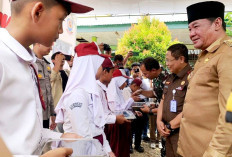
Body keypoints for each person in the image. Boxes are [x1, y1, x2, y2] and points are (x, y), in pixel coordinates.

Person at [0, 0, 92, 155]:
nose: (61, 30)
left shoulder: (28, 62)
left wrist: (61, 136)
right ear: (38, 12)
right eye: (61, 20)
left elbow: (24, 132)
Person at [178, 1, 232, 157]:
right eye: (189, 29)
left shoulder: (227, 55)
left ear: (217, 23)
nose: (191, 33)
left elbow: (230, 114)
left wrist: (215, 153)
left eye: (196, 26)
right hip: (192, 149)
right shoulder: (206, 55)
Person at [55, 42, 115, 157]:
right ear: (91, 64)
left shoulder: (90, 92)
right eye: (100, 65)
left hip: (95, 147)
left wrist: (108, 151)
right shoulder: (78, 95)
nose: (102, 69)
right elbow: (83, 137)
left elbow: (99, 126)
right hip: (83, 151)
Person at [155, 44, 192, 157]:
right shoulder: (170, 77)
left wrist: (171, 125)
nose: (167, 64)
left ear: (181, 59)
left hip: (182, 133)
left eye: (168, 60)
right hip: (168, 131)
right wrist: (158, 121)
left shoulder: (192, 77)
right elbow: (163, 99)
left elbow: (192, 107)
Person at [105, 69, 140, 157]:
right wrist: (131, 99)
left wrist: (133, 113)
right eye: (124, 82)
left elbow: (122, 107)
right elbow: (116, 110)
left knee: (123, 148)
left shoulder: (118, 91)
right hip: (116, 125)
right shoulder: (112, 93)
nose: (125, 84)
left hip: (121, 124)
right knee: (117, 149)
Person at [139, 57, 168, 155]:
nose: (145, 76)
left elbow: (168, 105)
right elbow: (156, 94)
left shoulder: (167, 79)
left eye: (145, 73)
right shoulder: (156, 78)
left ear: (154, 70)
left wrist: (151, 111)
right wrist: (141, 92)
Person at [33, 43, 56, 130]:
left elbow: (48, 90)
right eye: (48, 44)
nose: (51, 48)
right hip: (34, 116)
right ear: (38, 43)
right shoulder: (29, 62)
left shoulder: (47, 64)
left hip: (45, 115)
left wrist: (52, 113)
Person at [122, 78, 146, 153]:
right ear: (134, 85)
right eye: (138, 88)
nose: (139, 90)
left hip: (136, 112)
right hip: (128, 114)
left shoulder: (137, 92)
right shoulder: (126, 91)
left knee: (139, 130)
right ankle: (129, 146)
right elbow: (127, 105)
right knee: (130, 131)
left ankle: (137, 145)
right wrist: (139, 104)